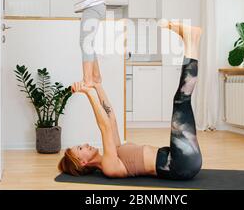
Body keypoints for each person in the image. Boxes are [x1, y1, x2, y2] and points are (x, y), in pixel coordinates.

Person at [58, 21, 203, 180]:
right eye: (80, 148)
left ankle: (192, 40)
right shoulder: (109, 167)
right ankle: (191, 40)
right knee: (181, 99)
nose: (85, 144)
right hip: (181, 163)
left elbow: (110, 119)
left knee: (181, 99)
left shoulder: (116, 150)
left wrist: (98, 86)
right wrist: (88, 92)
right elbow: (104, 127)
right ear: (82, 162)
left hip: (178, 156)